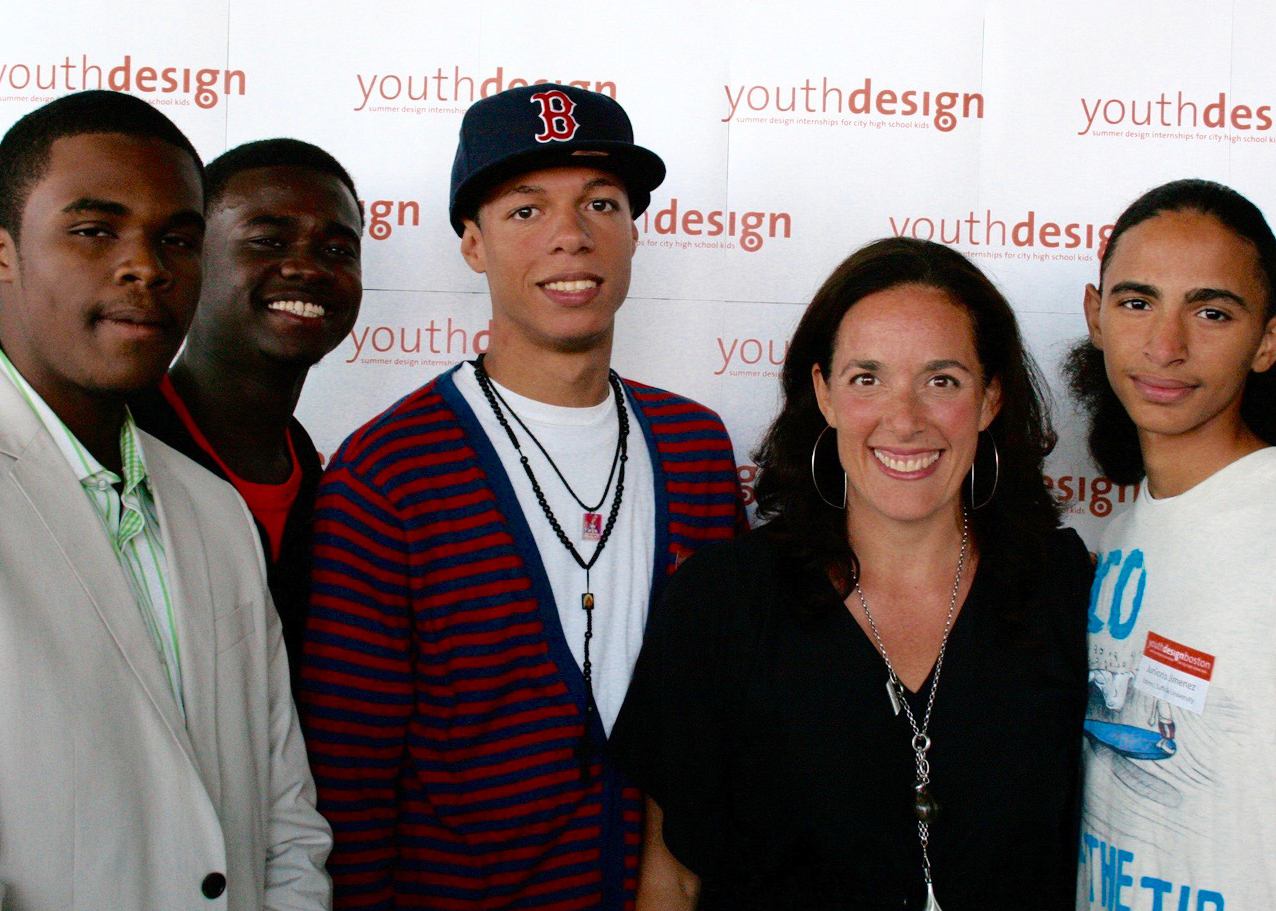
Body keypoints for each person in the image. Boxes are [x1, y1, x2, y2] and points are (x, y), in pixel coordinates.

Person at [301, 83, 746, 910]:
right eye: (525, 211)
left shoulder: (696, 448)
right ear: (471, 243)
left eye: (601, 203)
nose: (571, 237)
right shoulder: (388, 473)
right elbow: (349, 786)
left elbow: (721, 719)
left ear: (636, 231)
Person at [611, 237, 1092, 910]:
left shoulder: (1065, 588)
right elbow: (674, 877)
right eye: (867, 378)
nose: (904, 419)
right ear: (824, 394)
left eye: (942, 380)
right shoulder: (722, 599)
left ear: (989, 399)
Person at [0, 90, 330, 909]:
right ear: (3, 252)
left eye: (178, 238)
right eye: (94, 229)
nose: (146, 265)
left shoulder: (216, 511)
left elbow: (286, 820)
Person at [1065, 179, 1276, 910]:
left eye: (1211, 311)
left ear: (1269, 339)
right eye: (1136, 302)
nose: (1165, 345)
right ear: (1096, 316)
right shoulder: (1121, 530)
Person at [132, 138, 364, 689]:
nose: (306, 267)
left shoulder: (325, 480)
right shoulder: (117, 442)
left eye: (337, 250)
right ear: (189, 256)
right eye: (267, 241)